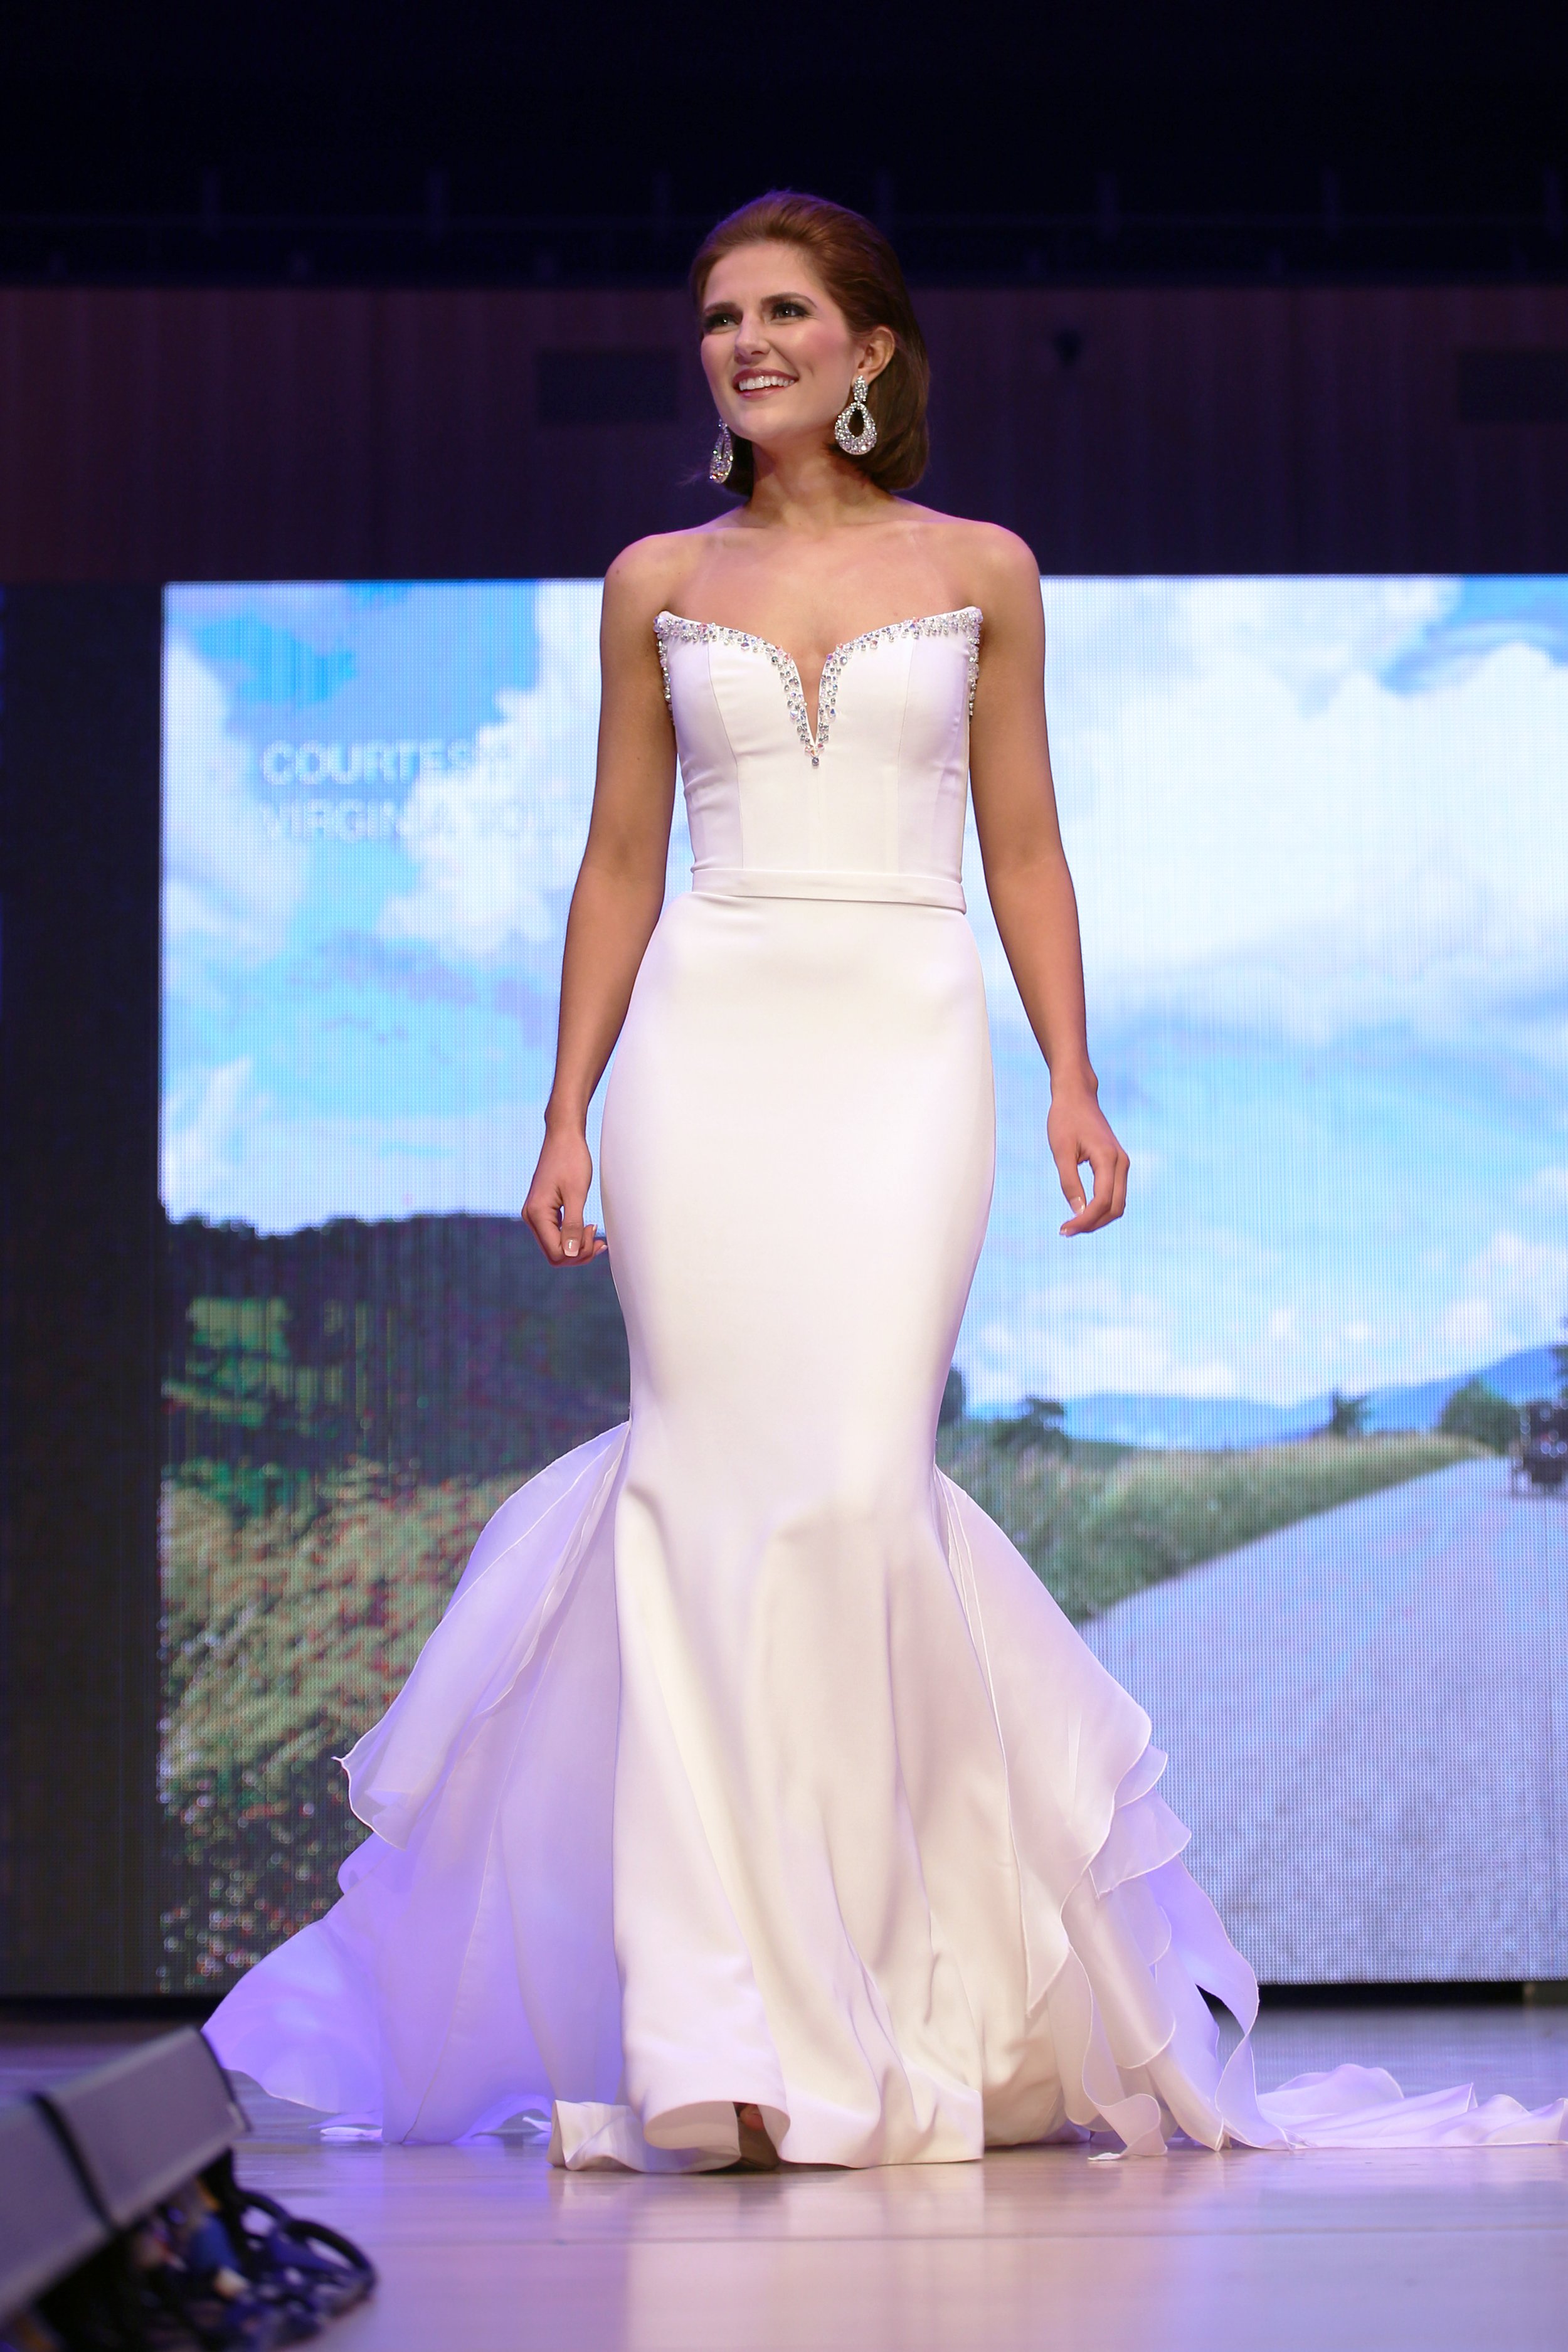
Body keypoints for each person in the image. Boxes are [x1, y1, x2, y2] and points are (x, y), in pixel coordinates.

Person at [208, 191, 1564, 2167]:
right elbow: (617, 858)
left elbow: (1022, 846)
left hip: (904, 1044)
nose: (745, 342)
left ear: (869, 350)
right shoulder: (652, 579)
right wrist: (566, 1107)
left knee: (853, 1489)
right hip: (706, 1044)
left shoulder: (982, 568)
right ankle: (719, 2038)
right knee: (701, 1498)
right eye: (717, 317)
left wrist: (1071, 1074)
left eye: (784, 310)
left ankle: (878, 2002)